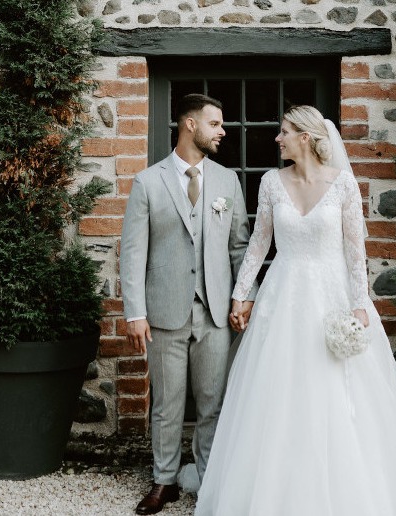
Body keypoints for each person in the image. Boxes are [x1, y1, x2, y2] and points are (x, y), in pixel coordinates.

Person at [194, 105, 396, 515]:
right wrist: (241, 294)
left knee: (337, 389)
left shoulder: (344, 184)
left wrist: (359, 304)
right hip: (284, 297)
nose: (277, 139)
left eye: (284, 132)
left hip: (332, 295)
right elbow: (259, 244)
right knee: (278, 391)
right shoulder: (270, 183)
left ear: (307, 137)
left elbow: (354, 251)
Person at [120, 93, 257, 515]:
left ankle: (209, 479)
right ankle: (164, 481)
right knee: (167, 404)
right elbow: (132, 252)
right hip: (164, 313)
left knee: (213, 401)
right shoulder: (148, 181)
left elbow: (239, 245)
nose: (223, 131)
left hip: (216, 313)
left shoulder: (227, 180)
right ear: (190, 125)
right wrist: (135, 313)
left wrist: (243, 298)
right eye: (215, 123)